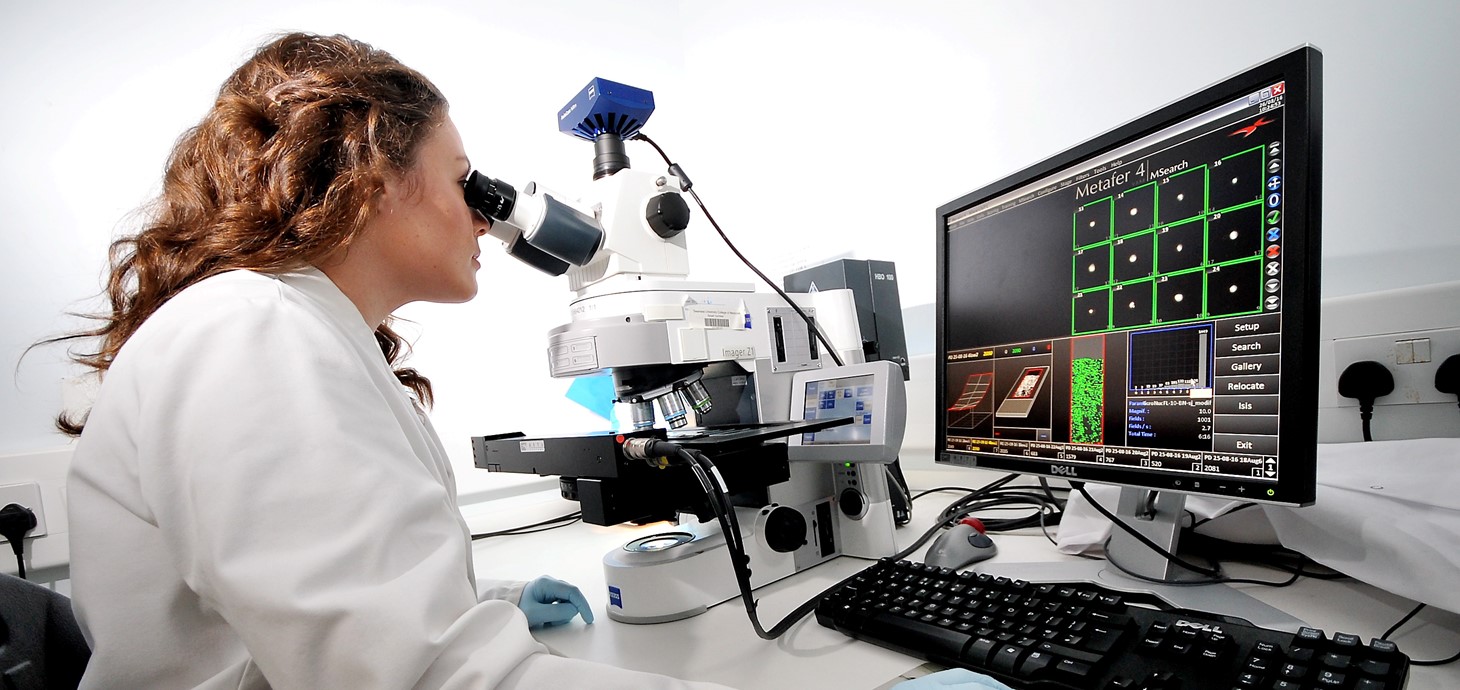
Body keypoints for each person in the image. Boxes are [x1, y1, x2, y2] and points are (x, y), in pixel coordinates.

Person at [57, 30, 1013, 690]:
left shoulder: (275, 326)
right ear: (374, 172)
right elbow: (430, 681)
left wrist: (488, 599)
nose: (483, 212)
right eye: (463, 176)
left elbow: (320, 612)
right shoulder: (250, 331)